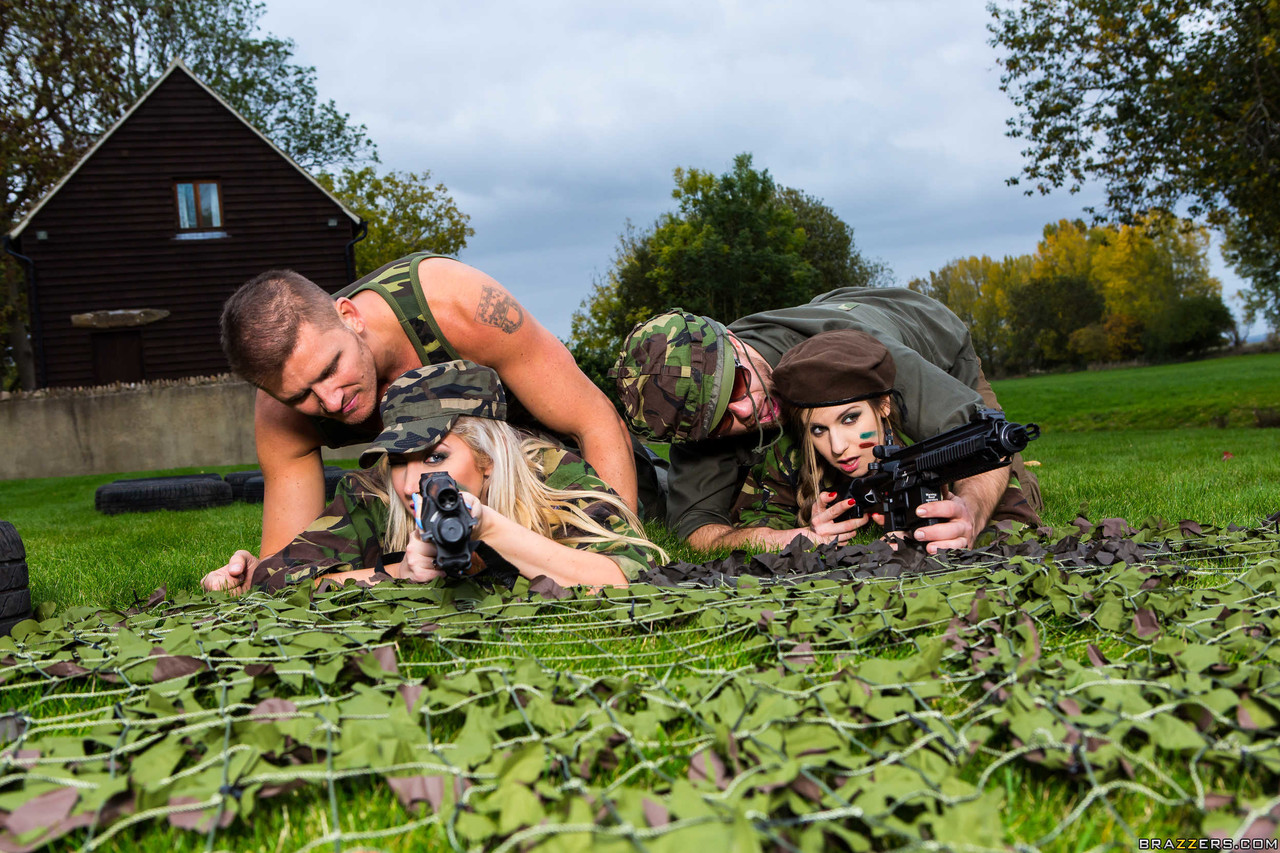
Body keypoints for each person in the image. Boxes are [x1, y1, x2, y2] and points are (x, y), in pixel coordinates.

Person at [220, 253, 644, 558]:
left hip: (552, 468)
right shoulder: (281, 414)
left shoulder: (458, 305)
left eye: (332, 368)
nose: (331, 400)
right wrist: (250, 571)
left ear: (349, 316)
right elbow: (289, 559)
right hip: (446, 491)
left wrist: (618, 542)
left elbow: (596, 423)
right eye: (301, 396)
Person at [611, 287, 1042, 554]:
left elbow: (985, 440)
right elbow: (698, 530)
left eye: (738, 387)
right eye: (719, 423)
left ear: (735, 344)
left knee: (1003, 505)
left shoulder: (848, 354)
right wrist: (777, 539)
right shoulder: (699, 410)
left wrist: (970, 510)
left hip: (925, 336)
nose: (743, 412)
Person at [202, 361, 665, 594]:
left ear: (489, 456)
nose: (410, 483)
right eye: (400, 459)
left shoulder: (548, 470)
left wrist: (489, 529)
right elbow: (282, 579)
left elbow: (630, 576)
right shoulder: (377, 492)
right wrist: (395, 573)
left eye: (435, 456)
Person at [730, 329, 1039, 544]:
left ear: (883, 405)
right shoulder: (795, 454)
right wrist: (808, 531)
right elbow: (750, 526)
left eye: (850, 419)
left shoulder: (924, 436)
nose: (838, 448)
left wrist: (963, 519)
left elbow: (1010, 508)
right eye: (819, 430)